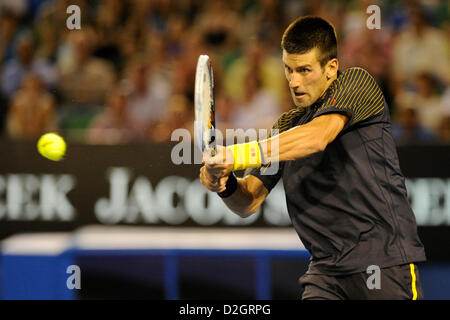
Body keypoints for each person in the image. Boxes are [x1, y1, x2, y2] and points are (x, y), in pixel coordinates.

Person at [199, 16, 426, 300]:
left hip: (381, 261)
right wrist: (225, 183)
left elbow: (317, 137)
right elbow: (249, 201)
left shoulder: (358, 83)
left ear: (331, 68)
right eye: (288, 70)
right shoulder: (285, 127)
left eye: (304, 70)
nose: (294, 81)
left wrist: (236, 154)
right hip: (324, 273)